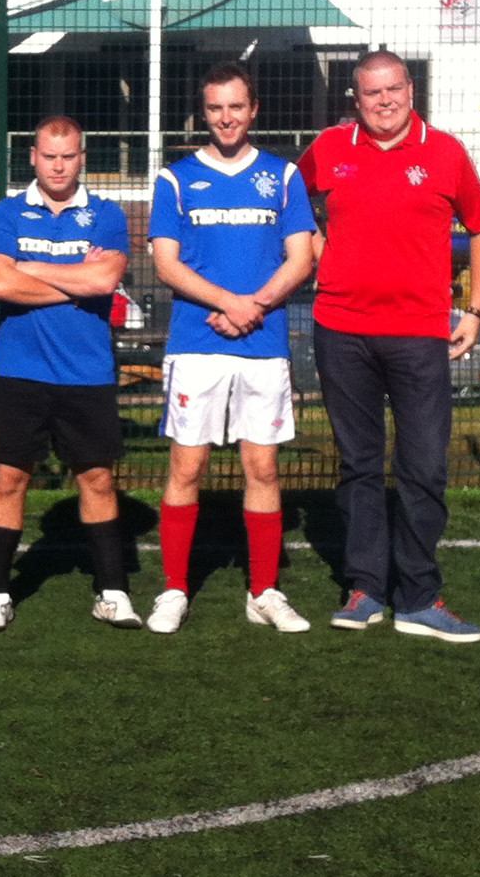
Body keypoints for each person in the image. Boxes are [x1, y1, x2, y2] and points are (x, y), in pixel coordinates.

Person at [297, 50, 480, 643]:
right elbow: (285, 204)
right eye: (371, 93)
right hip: (342, 330)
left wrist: (477, 311)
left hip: (419, 333)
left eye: (393, 89)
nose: (384, 101)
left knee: (424, 467)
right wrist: (314, 247)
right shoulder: (329, 149)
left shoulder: (446, 152)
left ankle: (418, 597)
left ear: (411, 89)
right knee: (358, 466)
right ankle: (364, 589)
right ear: (355, 100)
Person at [146, 63, 317, 635]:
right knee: (187, 465)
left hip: (263, 344)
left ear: (254, 110)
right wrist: (228, 301)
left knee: (262, 467)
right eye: (216, 107)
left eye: (236, 107)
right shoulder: (174, 179)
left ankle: (263, 590)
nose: (226, 118)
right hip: (198, 342)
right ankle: (174, 589)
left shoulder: (284, 176)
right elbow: (166, 262)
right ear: (203, 112)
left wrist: (255, 306)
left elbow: (302, 257)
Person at [0, 116, 138, 633]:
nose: (59, 165)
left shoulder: (108, 215)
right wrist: (78, 281)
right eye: (49, 156)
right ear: (33, 158)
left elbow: (107, 278)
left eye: (68, 156)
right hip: (19, 372)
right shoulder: (5, 214)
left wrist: (32, 267)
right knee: (8, 478)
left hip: (87, 373)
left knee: (97, 477)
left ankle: (111, 592)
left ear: (82, 158)